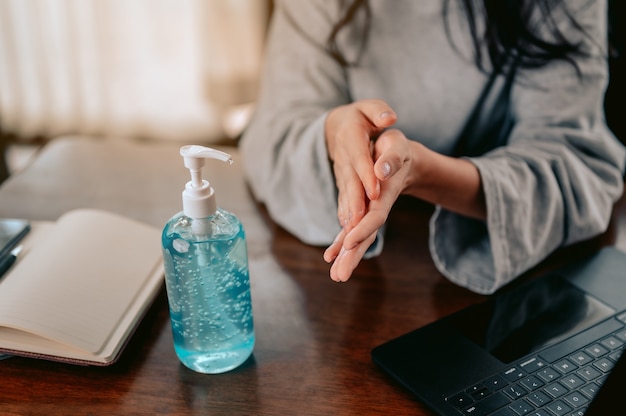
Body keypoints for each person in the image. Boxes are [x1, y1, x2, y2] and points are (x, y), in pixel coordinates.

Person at [240, 0, 625, 294]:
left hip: (521, 288)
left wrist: (424, 172)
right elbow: (274, 136)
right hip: (366, 282)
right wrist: (333, 135)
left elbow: (573, 164)